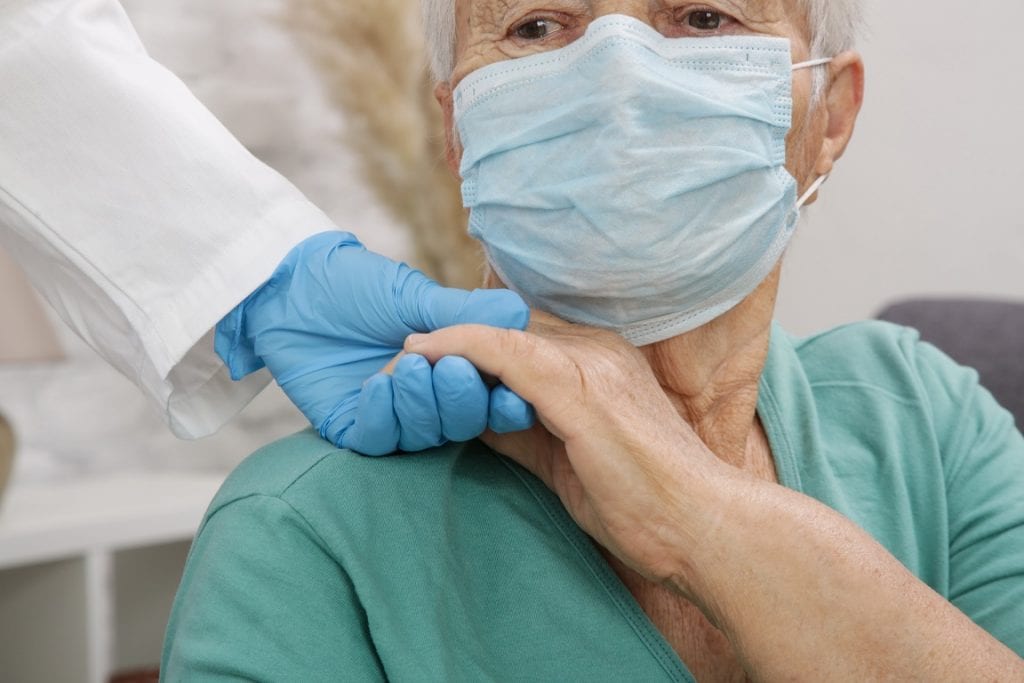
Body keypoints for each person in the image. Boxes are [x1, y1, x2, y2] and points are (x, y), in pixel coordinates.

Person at [162, 1, 1024, 680]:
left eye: (702, 18)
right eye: (537, 26)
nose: (618, 76)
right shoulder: (303, 526)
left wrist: (696, 514)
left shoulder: (924, 415)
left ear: (829, 118)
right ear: (457, 131)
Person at [0, 0, 534, 456]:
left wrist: (270, 281)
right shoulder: (285, 518)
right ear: (451, 124)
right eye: (537, 27)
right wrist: (280, 285)